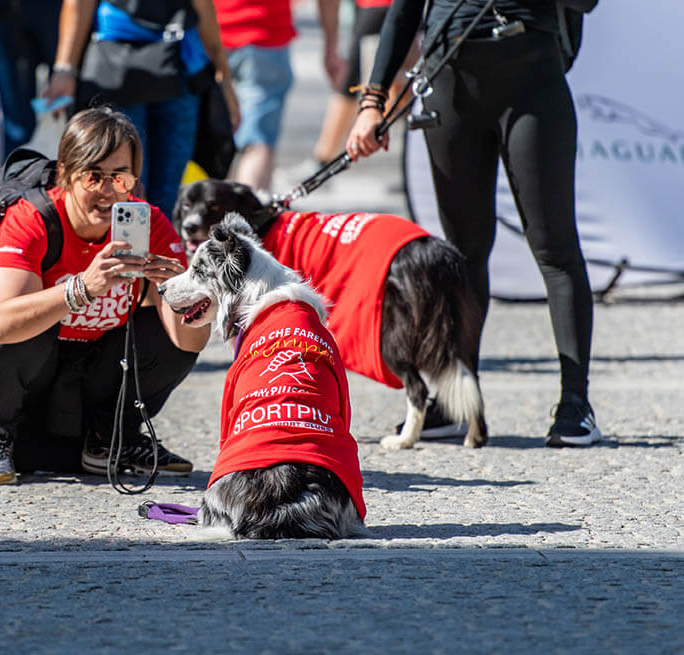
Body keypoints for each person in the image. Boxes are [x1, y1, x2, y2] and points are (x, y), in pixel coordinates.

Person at [346, 0, 600, 447]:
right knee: (463, 250)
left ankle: (575, 405)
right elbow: (403, 13)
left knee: (555, 249)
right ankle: (456, 401)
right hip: (451, 85)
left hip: (532, 83)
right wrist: (372, 101)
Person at [0, 107, 211, 486]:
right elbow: (1, 325)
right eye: (93, 176)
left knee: (162, 333)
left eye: (120, 176)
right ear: (66, 174)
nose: (107, 191)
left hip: (75, 351)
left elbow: (187, 343)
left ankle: (110, 439)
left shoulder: (149, 225)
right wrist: (82, 288)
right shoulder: (31, 218)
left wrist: (190, 298)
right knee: (35, 321)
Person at [43, 0, 238, 221]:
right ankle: (129, 251)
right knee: (129, 191)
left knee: (133, 192)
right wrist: (65, 69)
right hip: (136, 70)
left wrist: (65, 69)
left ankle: (143, 251)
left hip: (163, 71)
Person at [214, 0, 344, 196]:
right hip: (265, 36)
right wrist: (331, 44)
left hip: (212, 34)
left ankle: (217, 217)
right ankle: (247, 222)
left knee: (212, 141)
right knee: (257, 144)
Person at [311, 0, 418, 166]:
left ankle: (324, 158)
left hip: (382, 9)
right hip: (378, 10)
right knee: (361, 84)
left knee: (354, 85)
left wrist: (330, 46)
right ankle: (325, 157)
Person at [0, 0, 62, 162]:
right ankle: (15, 182)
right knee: (16, 125)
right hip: (5, 12)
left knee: (64, 110)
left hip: (56, 9)